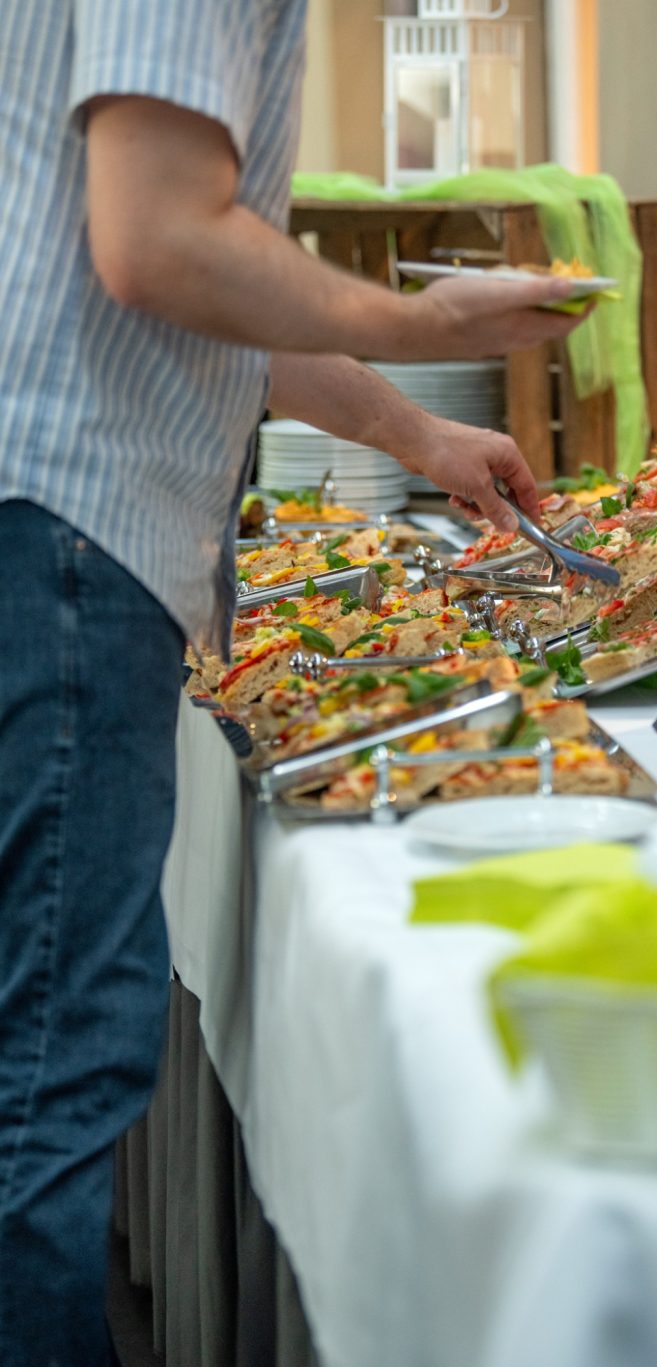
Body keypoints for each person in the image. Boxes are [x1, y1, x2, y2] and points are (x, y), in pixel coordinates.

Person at [0, 3, 590, 1363]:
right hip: (68, 535)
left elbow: (185, 289)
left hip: (50, 528)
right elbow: (160, 244)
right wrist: (420, 318)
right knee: (43, 1084)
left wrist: (415, 431)